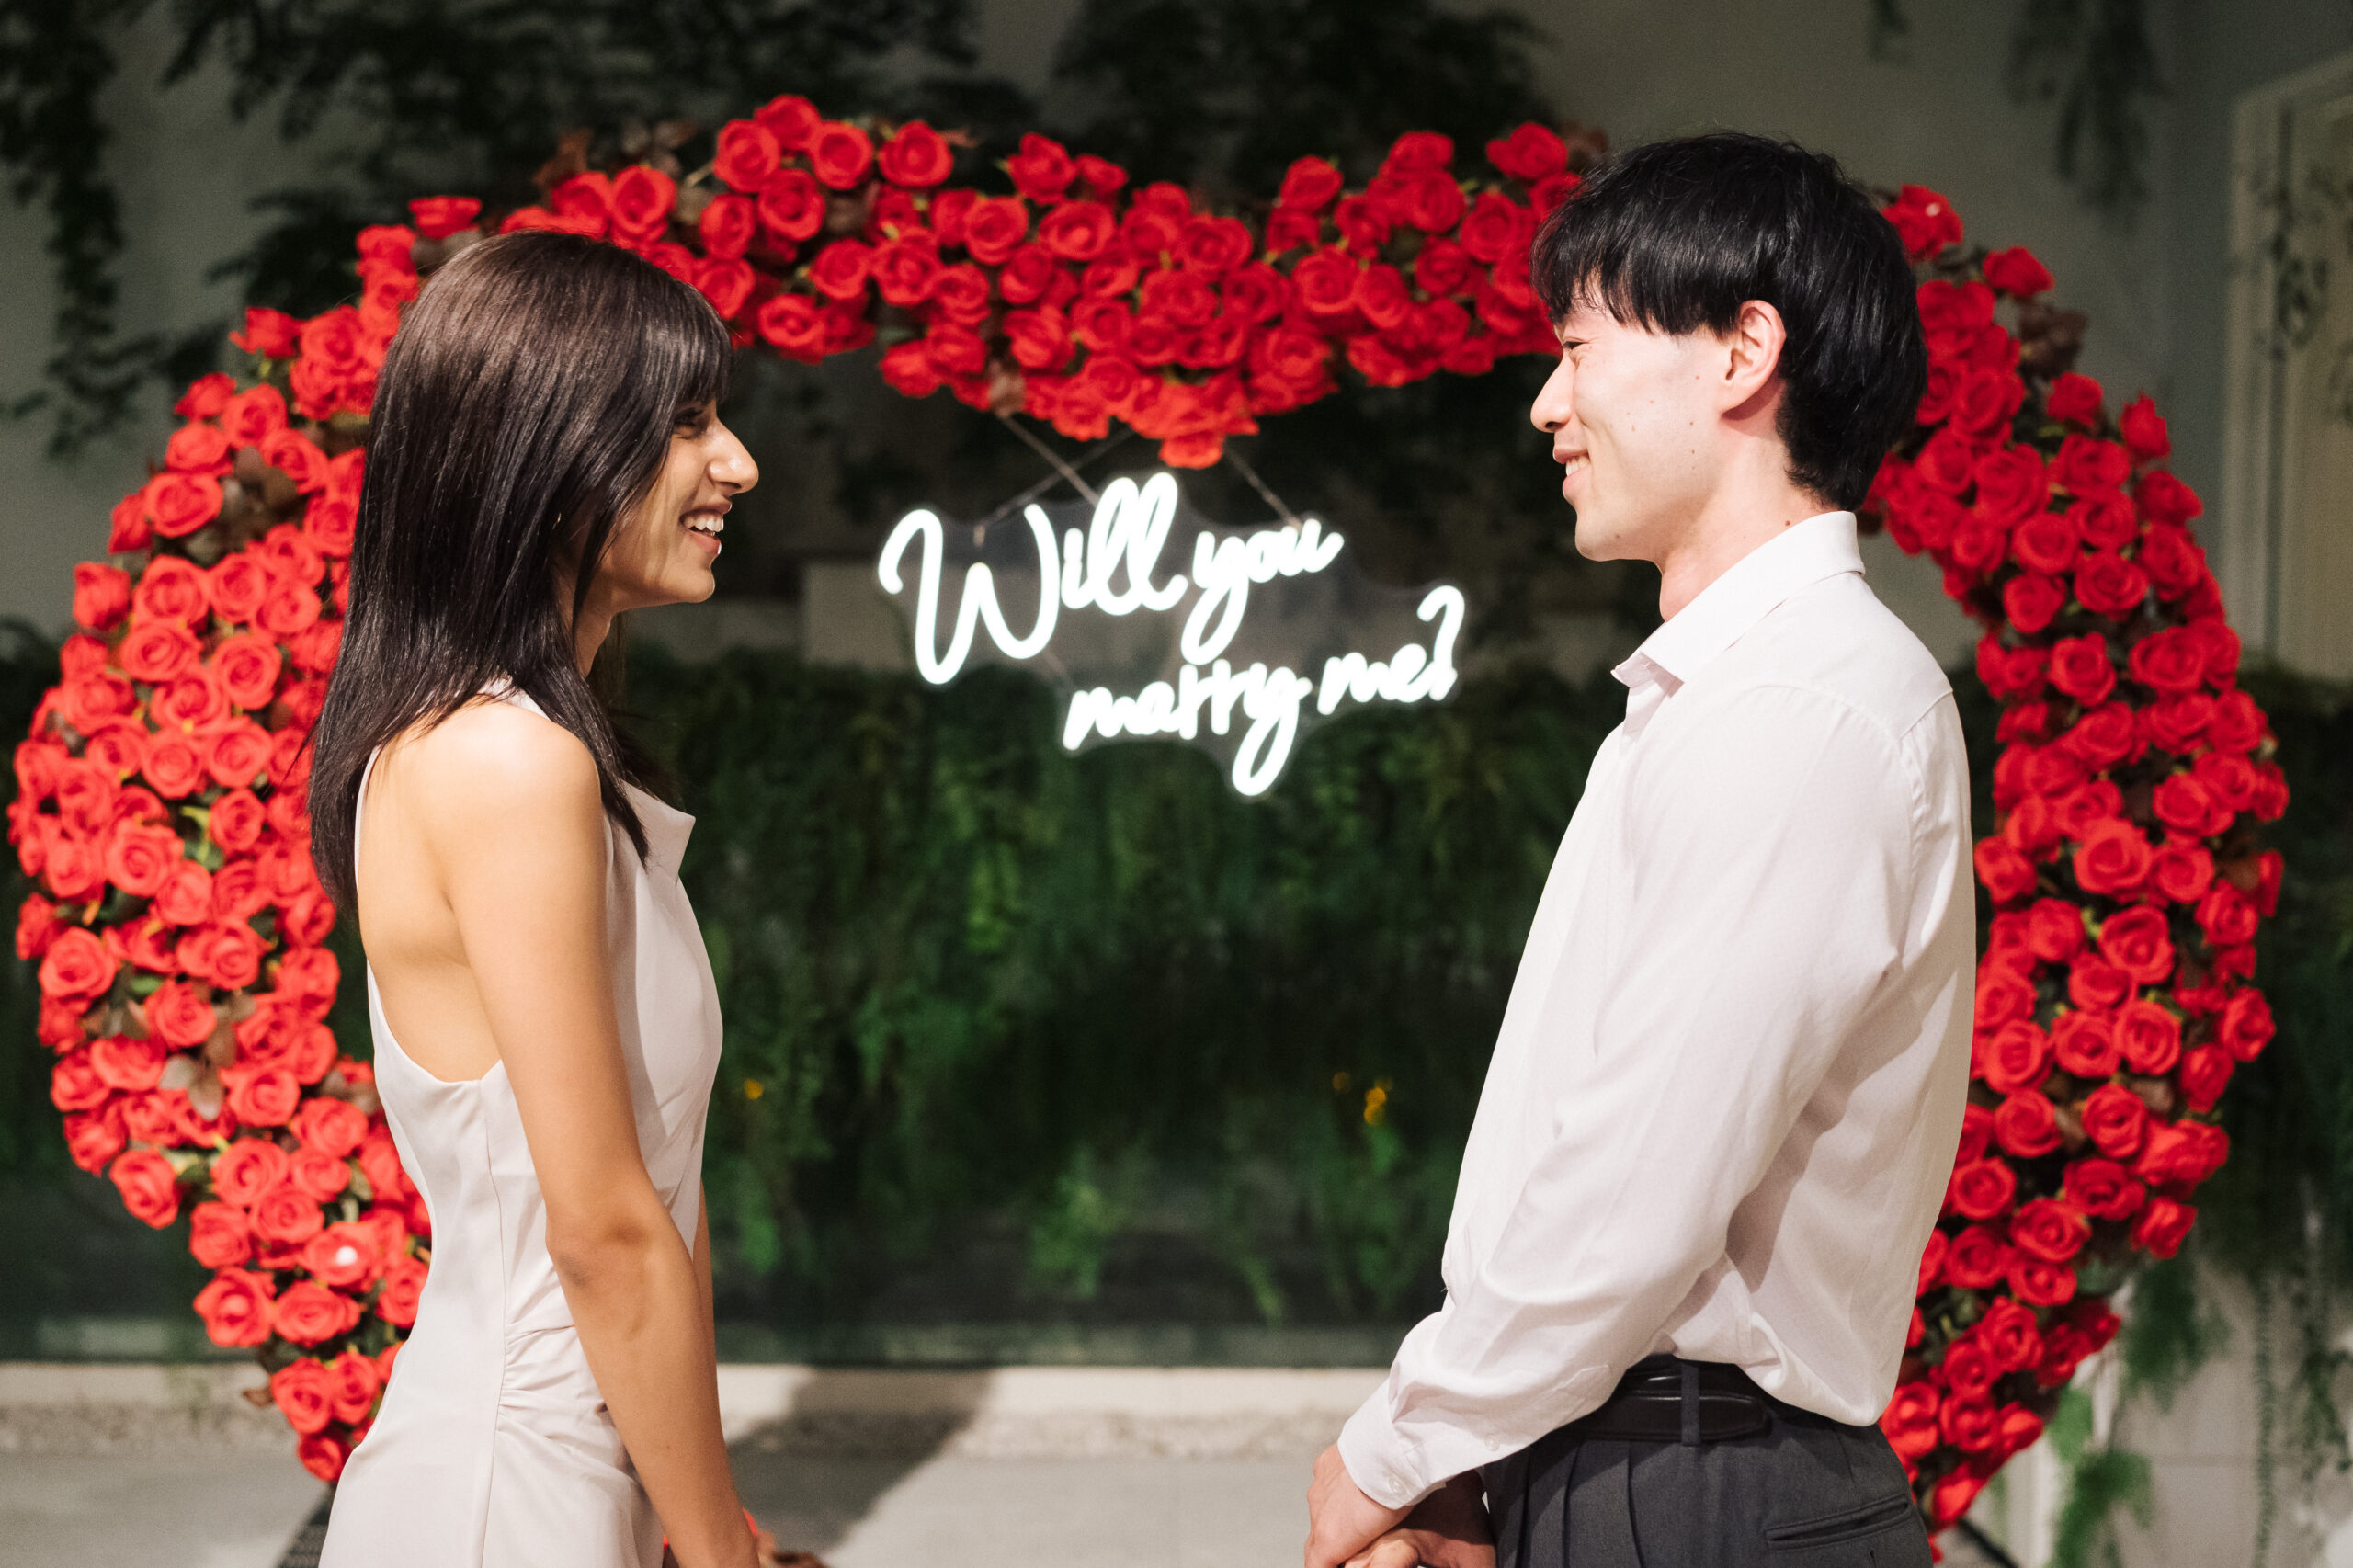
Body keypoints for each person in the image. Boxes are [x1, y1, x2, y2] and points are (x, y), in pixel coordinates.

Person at [1304, 132, 1972, 1568]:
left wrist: (1395, 1446)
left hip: (1701, 1489)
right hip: (1640, 1464)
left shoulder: (1800, 703)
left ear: (1742, 352)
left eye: (1579, 348)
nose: (1549, 404)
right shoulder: (1731, 692)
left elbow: (1637, 1182)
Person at [307, 230, 772, 1568]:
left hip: (581, 1475)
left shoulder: (526, 749)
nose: (737, 463)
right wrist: (722, 1555)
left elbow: (660, 1201)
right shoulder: (506, 762)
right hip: (509, 1496)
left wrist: (705, 1517)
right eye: (686, 423)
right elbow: (606, 1233)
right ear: (548, 453)